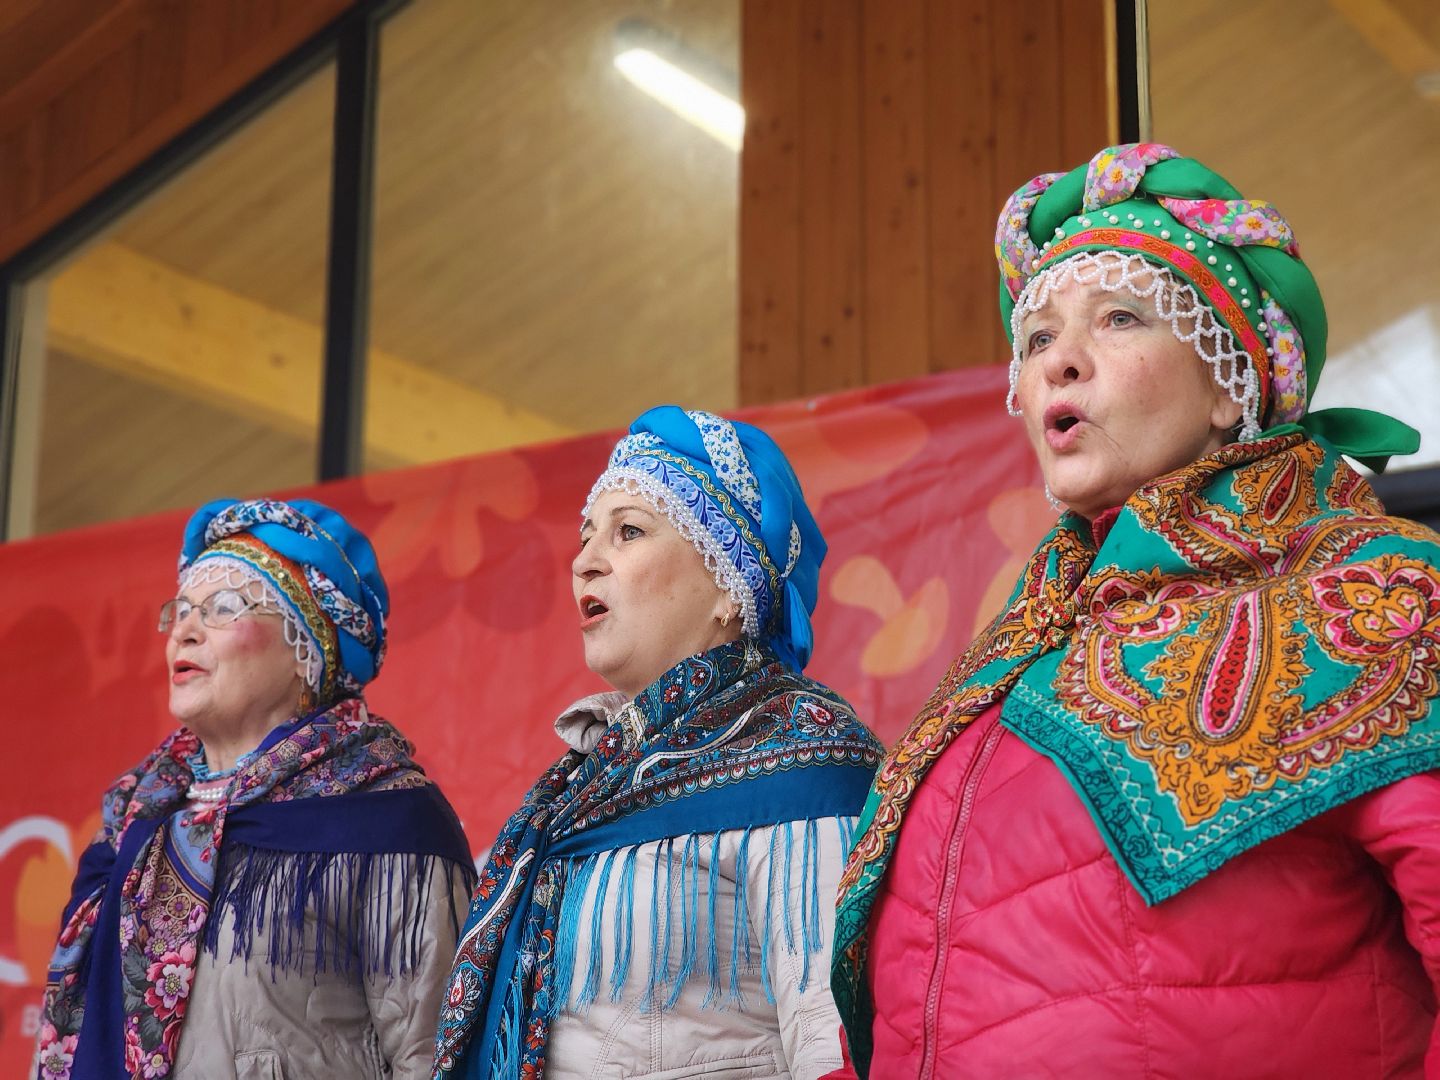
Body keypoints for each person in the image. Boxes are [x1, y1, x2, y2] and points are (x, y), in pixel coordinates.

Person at [829, 143, 1440, 1077]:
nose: (1060, 362)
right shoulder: (1000, 672)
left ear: (1231, 387)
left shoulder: (1371, 590)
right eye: (1037, 340)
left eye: (1119, 318)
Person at [433, 407, 883, 1079]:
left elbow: (835, 1042)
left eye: (628, 532)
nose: (584, 563)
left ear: (730, 586)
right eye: (587, 536)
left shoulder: (806, 764)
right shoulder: (583, 788)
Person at [36, 497, 477, 1080]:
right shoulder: (137, 815)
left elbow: (435, 1058)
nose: (185, 633)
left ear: (306, 653)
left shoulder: (387, 820)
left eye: (222, 607)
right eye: (181, 610)